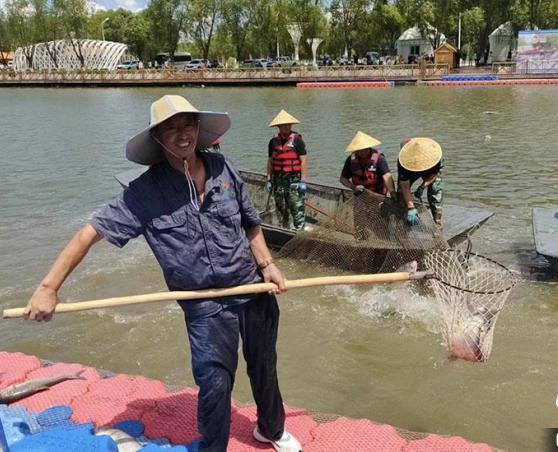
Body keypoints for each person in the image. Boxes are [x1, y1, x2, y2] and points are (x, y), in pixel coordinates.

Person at [23, 95, 302, 452]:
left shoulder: (224, 169)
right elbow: (88, 234)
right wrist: (48, 287)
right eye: (170, 129)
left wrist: (268, 265)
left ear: (198, 129)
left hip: (252, 286)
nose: (181, 134)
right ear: (157, 138)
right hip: (203, 304)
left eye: (187, 124)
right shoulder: (143, 193)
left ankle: (271, 430)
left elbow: (250, 224)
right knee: (215, 382)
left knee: (264, 365)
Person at [266, 110, 308, 230]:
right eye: (284, 125)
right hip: (278, 179)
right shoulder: (273, 142)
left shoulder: (297, 141)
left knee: (297, 206)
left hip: (293, 179)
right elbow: (270, 161)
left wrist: (303, 181)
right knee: (280, 206)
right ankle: (285, 229)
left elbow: (304, 160)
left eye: (289, 124)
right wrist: (269, 179)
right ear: (278, 126)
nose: (287, 127)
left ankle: (300, 233)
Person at [397, 137, 444, 226]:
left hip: (430, 170)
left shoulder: (435, 156)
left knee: (435, 190)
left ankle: (438, 227)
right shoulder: (403, 161)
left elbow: (434, 174)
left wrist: (423, 186)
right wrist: (411, 207)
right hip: (409, 170)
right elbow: (404, 186)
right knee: (401, 194)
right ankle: (402, 225)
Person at [339, 131, 394, 196]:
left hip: (378, 194)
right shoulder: (351, 160)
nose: (362, 152)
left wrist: (392, 192)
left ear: (368, 147)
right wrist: (353, 187)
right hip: (360, 195)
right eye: (358, 150)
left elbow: (387, 176)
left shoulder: (379, 158)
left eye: (364, 149)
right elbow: (343, 179)